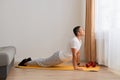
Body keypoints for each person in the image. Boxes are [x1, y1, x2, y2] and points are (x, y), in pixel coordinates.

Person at [18, 26, 85, 70]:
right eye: (82, 30)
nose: (84, 30)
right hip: (58, 57)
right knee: (43, 63)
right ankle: (25, 63)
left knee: (44, 61)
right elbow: (74, 55)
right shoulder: (74, 41)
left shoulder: (80, 41)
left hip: (60, 58)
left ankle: (30, 60)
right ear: (78, 33)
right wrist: (75, 67)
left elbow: (78, 53)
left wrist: (78, 64)